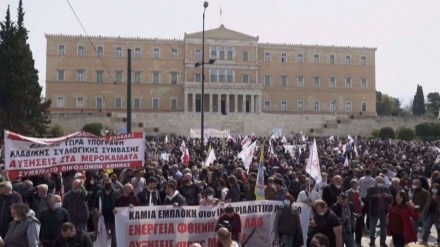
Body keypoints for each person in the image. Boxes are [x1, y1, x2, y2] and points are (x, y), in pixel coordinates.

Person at [366, 176, 391, 247]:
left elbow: (391, 198)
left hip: (383, 212)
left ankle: (382, 242)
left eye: (382, 182)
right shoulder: (370, 189)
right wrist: (376, 196)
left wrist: (387, 196)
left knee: (384, 227)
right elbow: (367, 198)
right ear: (375, 182)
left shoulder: (385, 189)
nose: (380, 183)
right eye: (379, 182)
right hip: (374, 212)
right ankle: (372, 241)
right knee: (372, 227)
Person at [94, 178, 118, 247]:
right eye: (107, 184)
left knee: (114, 237)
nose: (108, 185)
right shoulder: (99, 194)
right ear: (103, 184)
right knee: (102, 237)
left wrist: (117, 210)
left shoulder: (116, 193)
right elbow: (95, 206)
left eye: (110, 184)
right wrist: (97, 212)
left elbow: (119, 205)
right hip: (103, 219)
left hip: (113, 219)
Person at [346, 179, 363, 245]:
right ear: (353, 184)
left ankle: (358, 242)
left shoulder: (358, 192)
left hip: (359, 213)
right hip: (352, 213)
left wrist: (362, 203)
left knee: (359, 229)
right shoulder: (348, 192)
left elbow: (360, 200)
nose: (358, 184)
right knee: (352, 229)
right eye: (357, 183)